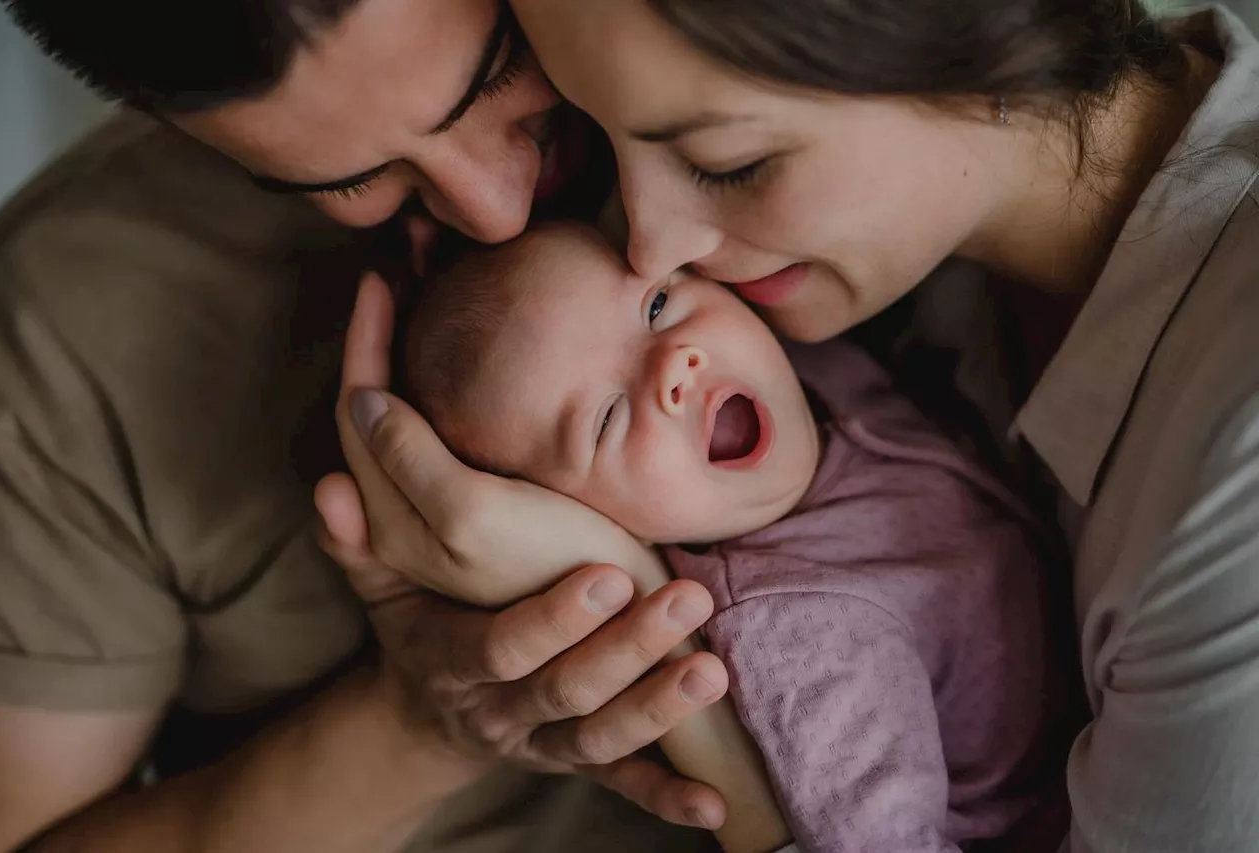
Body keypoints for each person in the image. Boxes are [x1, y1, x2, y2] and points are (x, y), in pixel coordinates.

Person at [332, 0, 1259, 851]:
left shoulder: (1234, 479)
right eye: (602, 140)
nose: (649, 248)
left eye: (729, 161)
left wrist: (672, 665)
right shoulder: (865, 287)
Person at [0, 1, 730, 851]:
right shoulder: (58, 336)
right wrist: (421, 726)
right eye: (347, 181)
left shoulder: (808, 68)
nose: (494, 209)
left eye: (502, 68)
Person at [398, 221, 1077, 853]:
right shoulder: (801, 633)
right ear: (589, 522)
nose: (674, 364)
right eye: (606, 419)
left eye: (658, 305)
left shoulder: (812, 364)